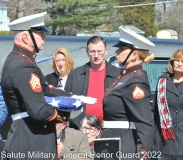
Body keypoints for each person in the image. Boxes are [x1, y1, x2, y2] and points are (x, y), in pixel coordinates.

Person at [1, 12, 96, 160]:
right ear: (26, 37)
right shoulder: (23, 65)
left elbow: (46, 89)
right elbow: (39, 110)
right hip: (30, 140)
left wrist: (72, 97)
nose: (44, 37)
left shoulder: (21, 60)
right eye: (40, 33)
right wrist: (65, 114)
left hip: (28, 136)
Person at [102, 26, 155, 159]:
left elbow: (145, 122)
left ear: (134, 55)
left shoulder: (135, 81)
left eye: (121, 49)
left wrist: (142, 154)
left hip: (124, 145)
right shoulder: (126, 77)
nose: (117, 51)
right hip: (113, 141)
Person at [65, 36, 120, 129]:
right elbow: (66, 102)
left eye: (99, 51)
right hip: (80, 130)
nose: (96, 55)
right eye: (92, 51)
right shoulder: (75, 75)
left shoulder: (118, 75)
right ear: (87, 52)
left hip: (108, 130)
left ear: (106, 51)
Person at [154, 48, 183, 160]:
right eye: (177, 60)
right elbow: (155, 111)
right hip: (165, 140)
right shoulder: (163, 81)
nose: (180, 64)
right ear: (172, 61)